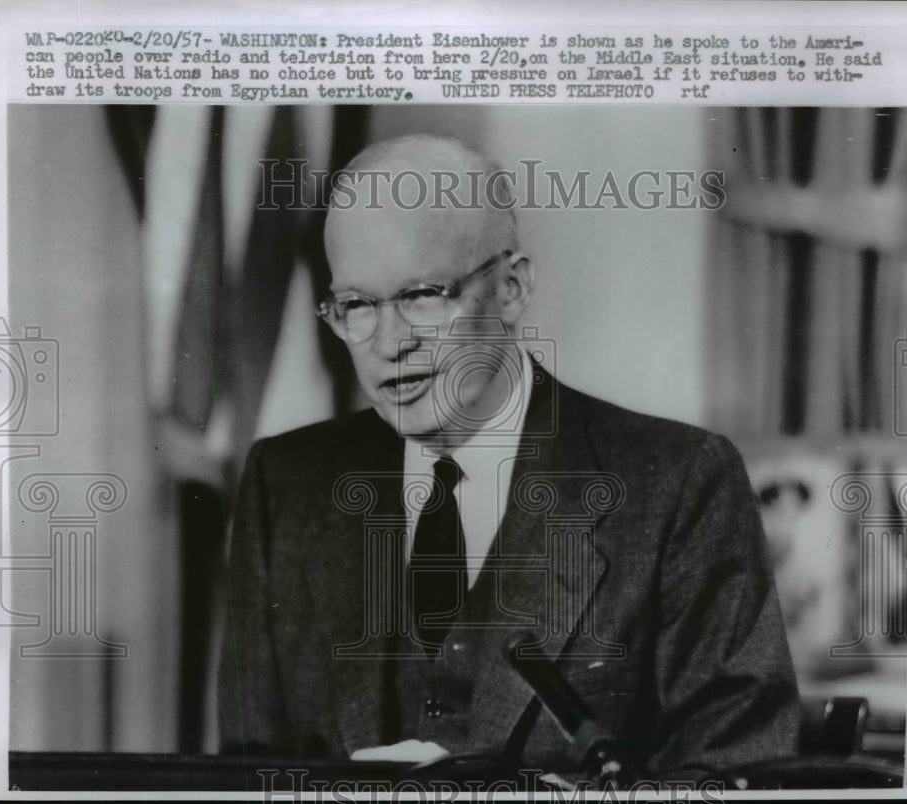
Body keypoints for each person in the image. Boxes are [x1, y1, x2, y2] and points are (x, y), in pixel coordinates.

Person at [218, 134, 800, 779]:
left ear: (512, 288)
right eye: (356, 305)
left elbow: (734, 778)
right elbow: (246, 780)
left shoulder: (680, 483)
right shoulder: (284, 486)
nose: (388, 343)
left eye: (423, 296)